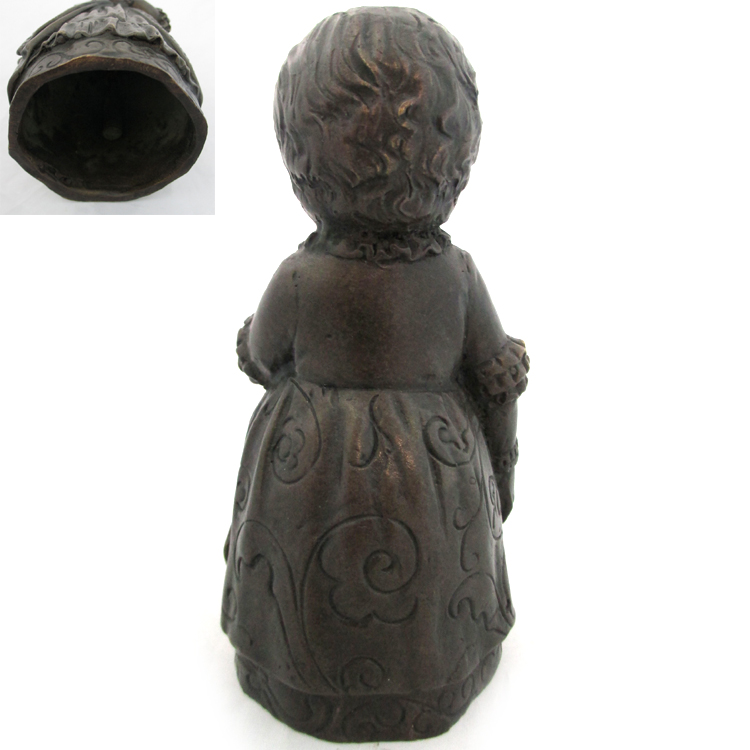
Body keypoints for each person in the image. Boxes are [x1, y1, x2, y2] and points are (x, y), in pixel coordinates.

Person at [220, 7, 529, 742]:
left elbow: (261, 356)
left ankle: (291, 665)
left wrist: (252, 342)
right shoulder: (456, 275)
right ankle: (440, 667)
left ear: (302, 157)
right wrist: (503, 470)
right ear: (458, 154)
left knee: (302, 576)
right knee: (436, 576)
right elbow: (498, 381)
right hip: (437, 479)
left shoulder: (301, 276)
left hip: (308, 474)